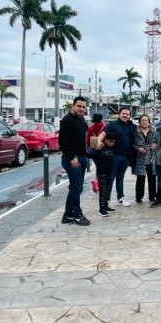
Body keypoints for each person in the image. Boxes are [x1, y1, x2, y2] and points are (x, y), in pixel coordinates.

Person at [58, 96, 90, 226]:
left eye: (83, 107)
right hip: (72, 159)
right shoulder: (67, 120)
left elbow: (85, 132)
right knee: (77, 187)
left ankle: (67, 215)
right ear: (73, 105)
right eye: (79, 106)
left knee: (74, 187)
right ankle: (77, 215)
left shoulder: (81, 119)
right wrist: (72, 157)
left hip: (81, 157)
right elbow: (62, 141)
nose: (81, 109)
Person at [97, 107, 138, 206]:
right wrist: (98, 140)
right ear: (119, 114)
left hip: (126, 157)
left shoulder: (132, 126)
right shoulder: (112, 124)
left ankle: (120, 198)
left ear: (129, 116)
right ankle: (106, 199)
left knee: (120, 178)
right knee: (110, 178)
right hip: (113, 156)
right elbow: (103, 134)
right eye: (123, 113)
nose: (125, 115)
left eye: (127, 114)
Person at [91, 131, 118, 217]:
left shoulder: (111, 148)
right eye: (110, 141)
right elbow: (91, 148)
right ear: (105, 140)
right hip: (101, 172)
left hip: (109, 172)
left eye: (113, 142)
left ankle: (106, 206)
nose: (112, 144)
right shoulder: (100, 147)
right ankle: (101, 209)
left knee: (107, 190)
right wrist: (97, 141)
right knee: (102, 191)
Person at [134, 114, 157, 204]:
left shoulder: (153, 130)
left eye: (146, 120)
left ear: (149, 121)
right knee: (140, 178)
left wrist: (155, 145)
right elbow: (132, 143)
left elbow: (158, 141)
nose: (144, 122)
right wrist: (138, 148)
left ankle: (152, 197)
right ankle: (139, 197)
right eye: (142, 120)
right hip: (140, 157)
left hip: (151, 157)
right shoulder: (136, 131)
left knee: (152, 178)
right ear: (140, 121)